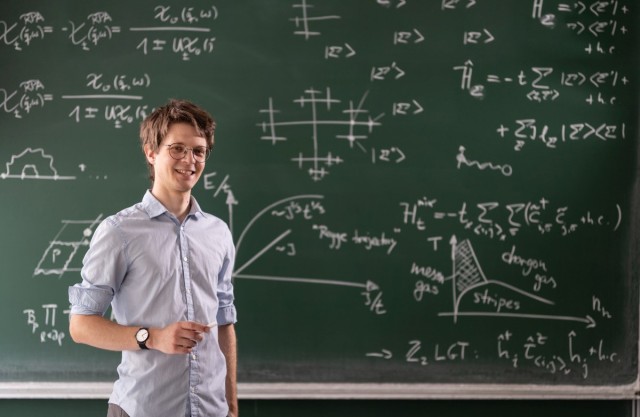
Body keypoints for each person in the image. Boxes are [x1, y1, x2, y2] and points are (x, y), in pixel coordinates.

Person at [68, 99, 238, 417]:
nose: (189, 160)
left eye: (198, 151)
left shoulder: (218, 233)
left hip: (211, 411)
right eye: (177, 148)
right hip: (144, 409)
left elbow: (225, 324)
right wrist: (152, 337)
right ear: (151, 152)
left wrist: (232, 406)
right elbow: (81, 325)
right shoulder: (119, 232)